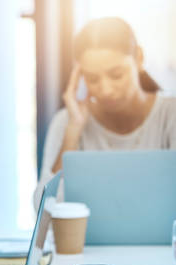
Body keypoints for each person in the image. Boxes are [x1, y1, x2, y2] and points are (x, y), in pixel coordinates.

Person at [34, 17, 176, 208]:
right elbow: (44, 210)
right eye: (92, 78)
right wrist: (73, 131)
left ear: (139, 58)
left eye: (116, 75)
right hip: (86, 240)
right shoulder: (67, 121)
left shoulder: (170, 115)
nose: (106, 89)